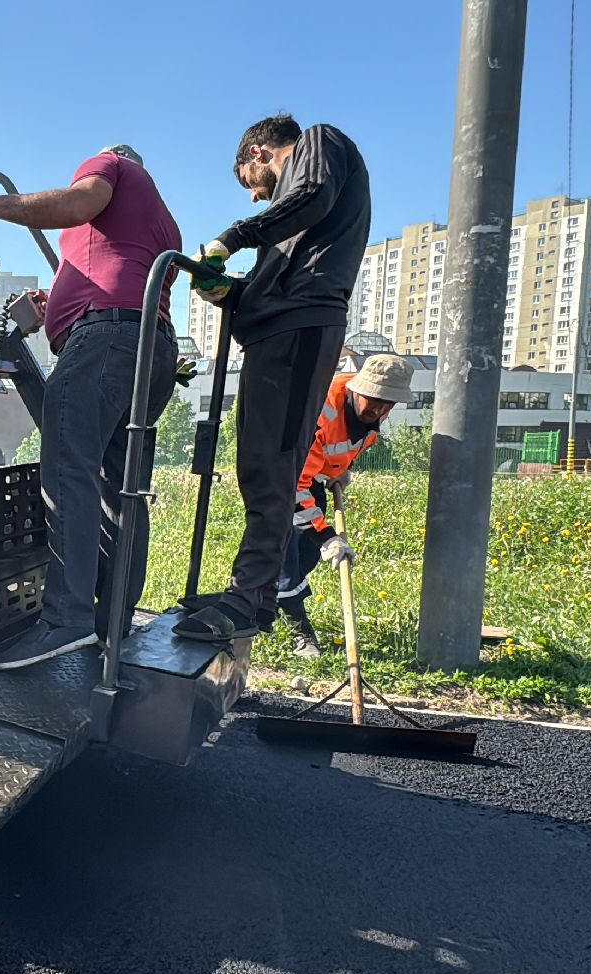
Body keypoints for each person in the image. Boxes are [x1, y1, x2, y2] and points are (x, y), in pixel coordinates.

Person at [0, 145, 186, 670]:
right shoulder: (161, 219)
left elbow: (77, 203)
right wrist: (60, 303)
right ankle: (111, 615)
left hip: (107, 340)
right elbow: (119, 267)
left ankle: (65, 620)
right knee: (123, 485)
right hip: (149, 348)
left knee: (68, 470)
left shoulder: (111, 165)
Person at [175, 114, 371, 643]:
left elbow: (311, 194)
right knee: (259, 463)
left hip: (300, 327)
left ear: (258, 154)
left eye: (250, 184)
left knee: (272, 464)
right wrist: (228, 294)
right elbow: (274, 283)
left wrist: (234, 236)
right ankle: (255, 596)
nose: (256, 200)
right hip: (280, 330)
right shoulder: (290, 233)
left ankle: (247, 596)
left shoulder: (320, 144)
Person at [272, 354, 412, 657]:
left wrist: (337, 471)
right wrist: (326, 537)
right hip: (278, 478)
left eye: (388, 403)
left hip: (308, 477)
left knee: (306, 555)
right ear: (356, 388)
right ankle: (301, 632)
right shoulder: (319, 410)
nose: (378, 409)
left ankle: (260, 609)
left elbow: (341, 445)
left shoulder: (374, 413)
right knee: (286, 556)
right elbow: (294, 487)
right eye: (373, 399)